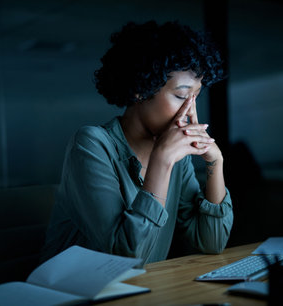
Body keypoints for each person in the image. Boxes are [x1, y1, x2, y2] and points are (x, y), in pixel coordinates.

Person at [40, 20, 233, 265]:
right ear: (140, 90)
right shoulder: (91, 145)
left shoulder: (177, 159)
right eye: (182, 96)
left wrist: (216, 162)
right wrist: (161, 162)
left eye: (195, 97)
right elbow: (126, 255)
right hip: (73, 294)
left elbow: (212, 242)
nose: (190, 110)